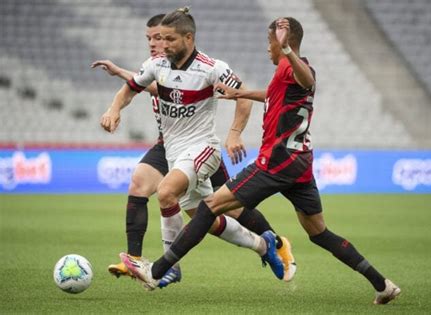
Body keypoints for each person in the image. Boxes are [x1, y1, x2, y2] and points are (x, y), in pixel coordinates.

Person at [121, 17, 402, 305]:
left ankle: (156, 272)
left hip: (275, 163)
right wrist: (241, 93)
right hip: (300, 164)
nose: (267, 49)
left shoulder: (292, 66)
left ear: (283, 44)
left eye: (270, 43)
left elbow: (308, 80)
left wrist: (288, 52)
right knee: (319, 232)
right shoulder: (284, 73)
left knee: (209, 207)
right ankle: (382, 284)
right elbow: (276, 94)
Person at [98, 9, 296, 288]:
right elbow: (132, 87)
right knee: (209, 218)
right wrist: (114, 109)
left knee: (166, 192)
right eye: (158, 39)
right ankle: (266, 246)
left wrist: (235, 134)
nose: (162, 45)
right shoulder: (157, 65)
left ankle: (168, 267)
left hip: (204, 149)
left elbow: (244, 97)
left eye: (169, 39)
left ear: (188, 38)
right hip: (173, 152)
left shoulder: (211, 68)